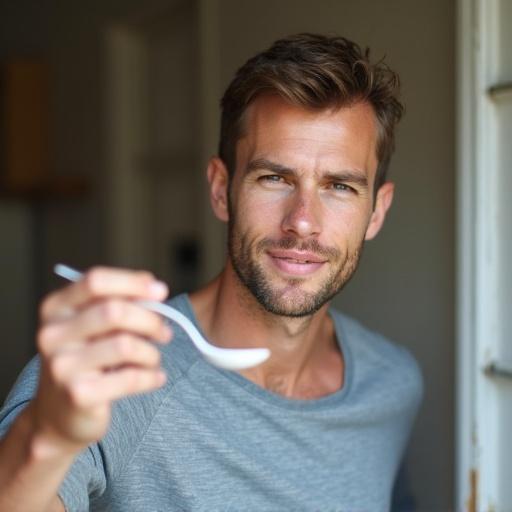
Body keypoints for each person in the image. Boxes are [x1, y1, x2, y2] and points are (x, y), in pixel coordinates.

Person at [0, 33, 422, 511]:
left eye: (340, 187)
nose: (302, 220)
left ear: (377, 211)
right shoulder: (110, 375)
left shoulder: (392, 383)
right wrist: (47, 437)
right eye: (274, 178)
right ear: (222, 190)